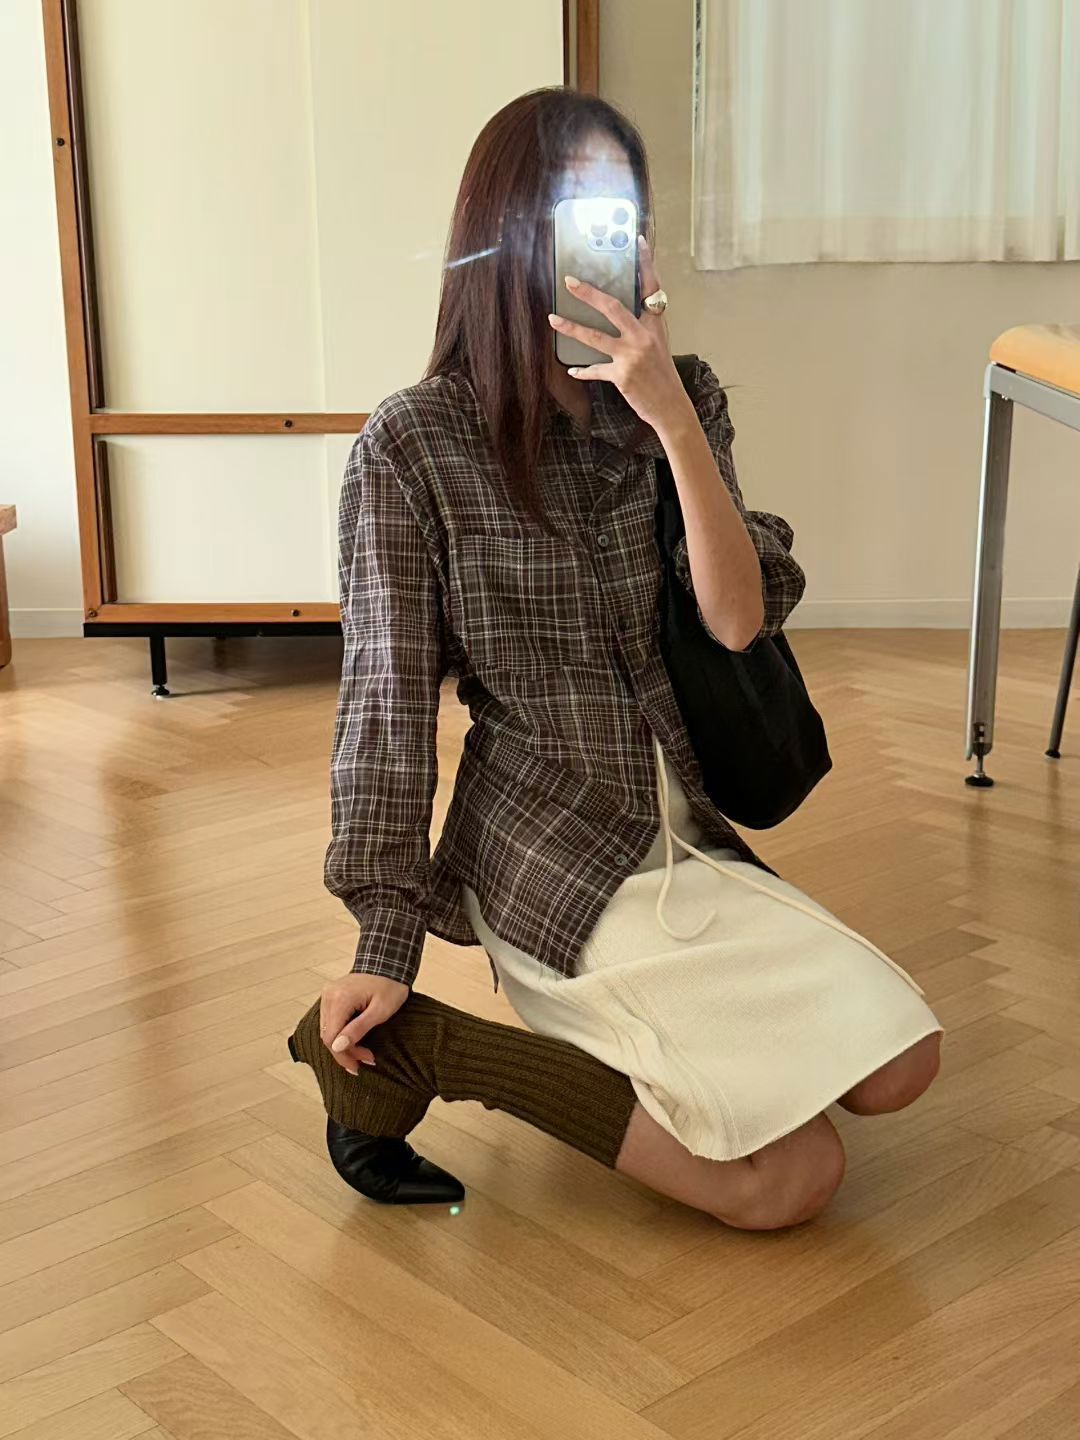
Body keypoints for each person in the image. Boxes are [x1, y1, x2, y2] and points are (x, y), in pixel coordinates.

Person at [287, 87, 943, 1229]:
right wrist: (386, 941)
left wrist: (671, 419)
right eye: (573, 204)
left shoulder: (683, 402)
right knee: (789, 1182)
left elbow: (737, 622)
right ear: (505, 233)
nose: (605, 231)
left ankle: (641, 1038)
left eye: (619, 205)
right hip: (546, 847)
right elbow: (384, 713)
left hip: (685, 835)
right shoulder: (415, 444)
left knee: (902, 1068)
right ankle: (444, 1050)